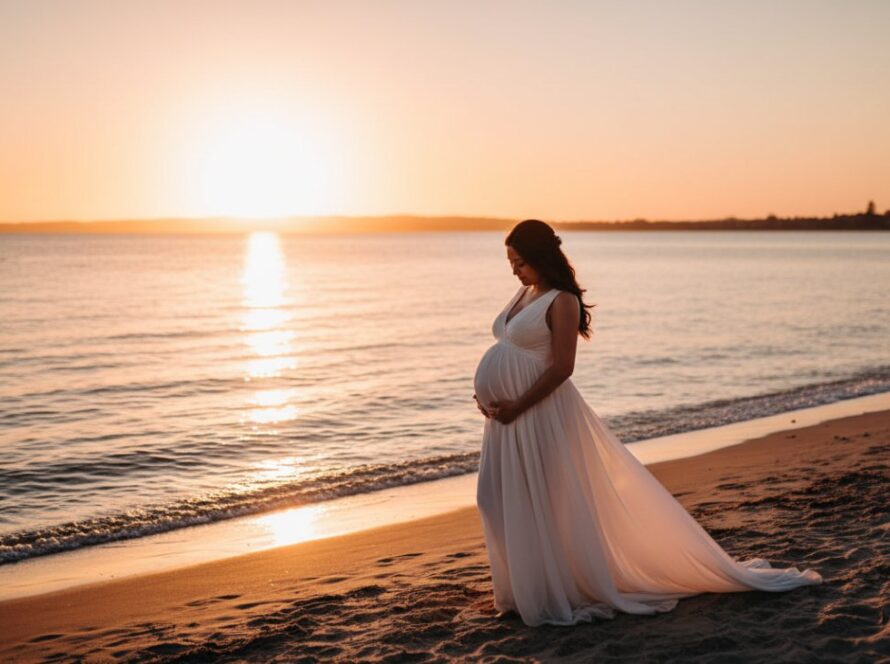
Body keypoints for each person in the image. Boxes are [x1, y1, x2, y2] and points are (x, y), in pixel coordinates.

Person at [472, 219, 822, 627]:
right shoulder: (524, 292)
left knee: (539, 503)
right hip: (505, 419)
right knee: (495, 499)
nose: (514, 270)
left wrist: (517, 403)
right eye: (510, 262)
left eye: (520, 262)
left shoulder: (562, 300)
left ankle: (548, 592)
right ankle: (521, 591)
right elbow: (510, 350)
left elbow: (563, 368)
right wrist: (489, 396)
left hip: (537, 414)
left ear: (540, 257)